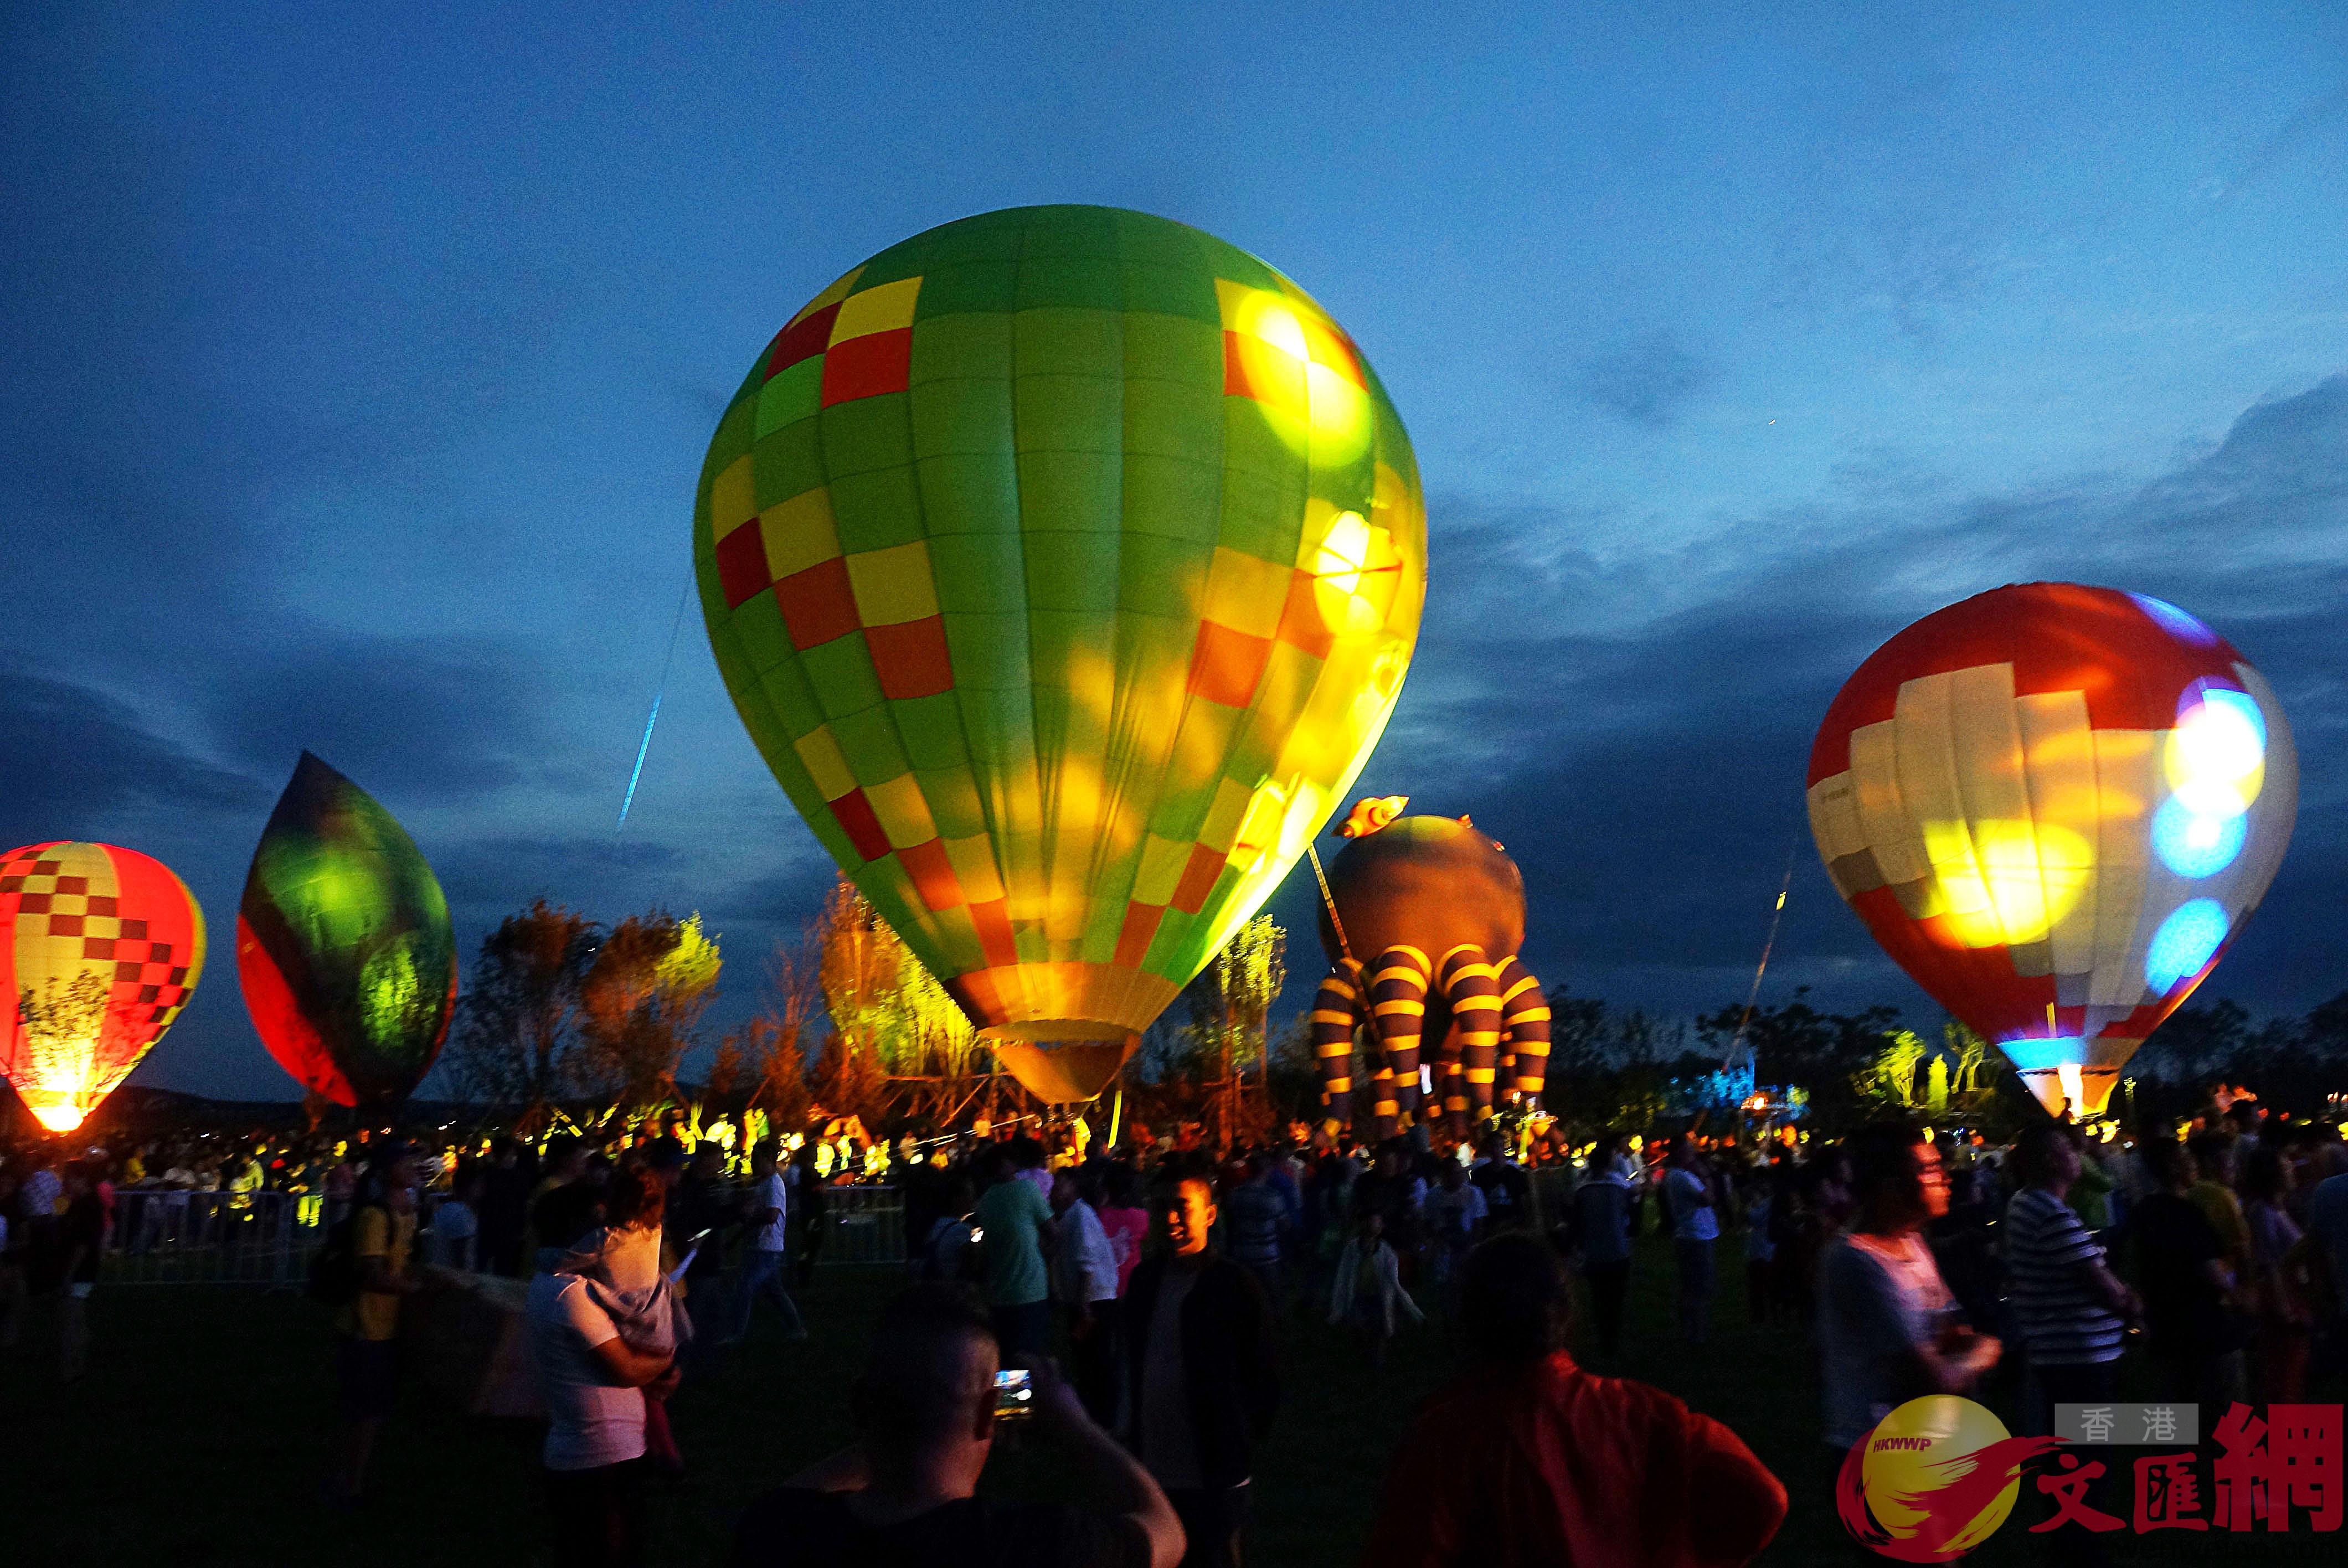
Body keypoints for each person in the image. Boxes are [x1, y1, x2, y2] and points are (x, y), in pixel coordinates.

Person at [1360, 1232, 1785, 1568]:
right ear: (1564, 1313)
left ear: (1466, 1323)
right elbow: (1762, 1498)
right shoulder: (1642, 1413)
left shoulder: (1445, 1439)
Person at [727, 1283, 1183, 1568]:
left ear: (861, 1403)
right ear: (991, 1413)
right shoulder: (1040, 1547)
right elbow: (1167, 1533)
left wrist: (893, 1414)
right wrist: (1073, 1425)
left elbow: (786, 1497)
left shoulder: (779, 1533)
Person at [525, 1163, 683, 1567]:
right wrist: (665, 1359)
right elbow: (626, 1369)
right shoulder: (568, 1293)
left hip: (600, 1452)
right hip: (599, 1456)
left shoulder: (563, 1286)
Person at [1124, 1170, 1280, 1568]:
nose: (1171, 1220)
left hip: (1216, 1467)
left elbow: (1264, 1369)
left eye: (1182, 1208)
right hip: (1154, 1464)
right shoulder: (1145, 1281)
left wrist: (1241, 1431)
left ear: (1209, 1215)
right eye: (1162, 1208)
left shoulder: (1235, 1286)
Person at [1817, 1122, 2000, 1460]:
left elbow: (1952, 1331)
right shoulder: (1859, 1261)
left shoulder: (1912, 1242)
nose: (1946, 1178)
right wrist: (1985, 1351)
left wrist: (1956, 1355)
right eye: (1930, 1170)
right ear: (1890, 1187)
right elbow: (1933, 1377)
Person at [2003, 1122, 2136, 1500]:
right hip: (2079, 1356)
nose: (2077, 1156)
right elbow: (2100, 1284)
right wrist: (2130, 1305)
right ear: (2050, 1160)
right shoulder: (2051, 1214)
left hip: (2061, 1351)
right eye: (2068, 1148)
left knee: (2071, 1453)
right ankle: (2081, 1543)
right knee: (2087, 1463)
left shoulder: (2028, 1203)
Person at [328, 1146, 432, 1505]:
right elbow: (373, 1275)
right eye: (406, 1162)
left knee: (368, 1409)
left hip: (387, 1327)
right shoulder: (375, 1216)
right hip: (365, 1327)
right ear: (388, 1172)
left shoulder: (407, 1214)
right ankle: (350, 1484)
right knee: (366, 1412)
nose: (415, 1167)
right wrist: (419, 1291)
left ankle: (347, 1475)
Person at [2133, 1138, 2247, 1405]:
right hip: (2207, 1329)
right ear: (2174, 1167)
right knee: (2225, 1416)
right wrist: (2237, 1292)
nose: (2195, 1165)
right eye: (2188, 1159)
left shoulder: (2143, 1212)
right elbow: (2213, 1273)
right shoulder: (2187, 1215)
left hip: (2166, 1330)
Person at [2241, 1144, 2313, 1401]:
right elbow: (2269, 1263)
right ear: (2272, 1174)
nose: (2292, 1169)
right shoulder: (2263, 1212)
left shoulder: (2277, 1209)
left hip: (2292, 1299)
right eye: (2286, 1166)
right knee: (2284, 1380)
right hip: (2282, 1304)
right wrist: (2285, 1310)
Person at [1053, 1168, 1122, 1425]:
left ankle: (1103, 1419)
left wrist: (1083, 1307)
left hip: (1094, 1302)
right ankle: (1098, 1417)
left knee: (1097, 1363)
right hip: (1088, 1300)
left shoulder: (1080, 1216)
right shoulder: (1071, 1217)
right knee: (1090, 1363)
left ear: (1074, 1188)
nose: (1053, 1191)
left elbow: (1086, 1263)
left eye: (1060, 1184)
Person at [976, 1145, 1057, 1363]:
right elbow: (1052, 1229)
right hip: (1030, 1288)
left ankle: (1011, 1397)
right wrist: (1046, 1254)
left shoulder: (985, 1201)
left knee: (1008, 1358)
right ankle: (1033, 1396)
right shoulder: (1028, 1190)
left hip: (998, 1290)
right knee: (1031, 1356)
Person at [728, 1143, 807, 1343]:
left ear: (766, 1160)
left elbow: (772, 1215)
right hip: (763, 1246)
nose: (753, 1163)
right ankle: (798, 1329)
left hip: (767, 1248)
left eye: (756, 1158)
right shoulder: (765, 1183)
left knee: (745, 1288)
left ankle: (736, 1334)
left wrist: (749, 1216)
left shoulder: (774, 1184)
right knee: (775, 1292)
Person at [1563, 1139, 1634, 1356]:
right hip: (1617, 1249)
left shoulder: (1582, 1190)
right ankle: (1612, 1337)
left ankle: (1604, 1336)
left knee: (1599, 1296)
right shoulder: (1620, 1187)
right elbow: (1629, 1216)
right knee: (1616, 1296)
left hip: (1593, 1252)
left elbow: (1575, 1221)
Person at [1329, 1210, 1424, 1367]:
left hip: (1378, 1296)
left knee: (1380, 1328)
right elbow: (1343, 1276)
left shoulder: (1386, 1252)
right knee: (1360, 1326)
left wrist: (1408, 1305)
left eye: (1378, 1223)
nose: (1375, 1226)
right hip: (1360, 1296)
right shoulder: (1352, 1249)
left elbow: (1393, 1279)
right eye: (1372, 1222)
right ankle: (1368, 1356)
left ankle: (1378, 1362)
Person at [1660, 1135, 1718, 1342]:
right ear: (1679, 1154)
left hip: (1693, 1234)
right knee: (1699, 1286)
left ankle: (1688, 1331)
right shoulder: (1682, 1177)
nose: (1693, 1155)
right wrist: (1707, 1176)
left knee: (1691, 1285)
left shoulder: (1678, 1175)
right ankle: (1695, 1333)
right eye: (1689, 1151)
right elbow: (1709, 1198)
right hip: (1696, 1236)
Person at [1219, 1157, 1288, 1309]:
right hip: (1267, 1255)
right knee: (1271, 1298)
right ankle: (1273, 1326)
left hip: (1241, 1253)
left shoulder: (1235, 1195)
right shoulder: (1273, 1197)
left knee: (1243, 1299)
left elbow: (1229, 1222)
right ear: (1266, 1172)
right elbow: (1284, 1224)